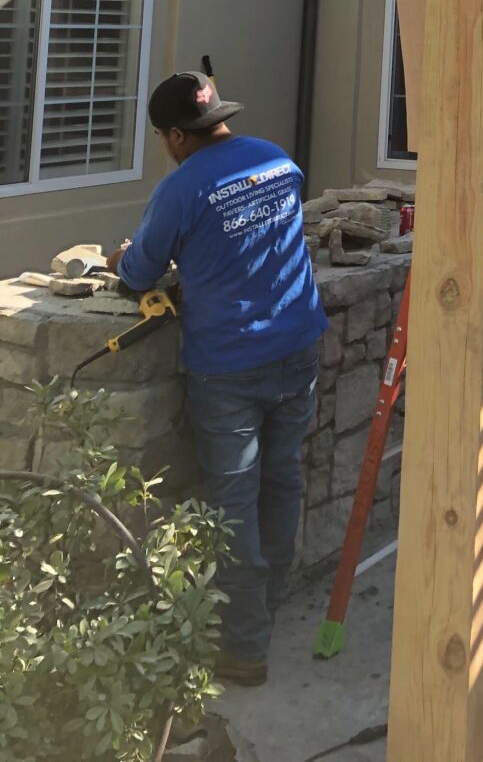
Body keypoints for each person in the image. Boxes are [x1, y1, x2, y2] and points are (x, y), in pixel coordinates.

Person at [108, 71, 326, 687]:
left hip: (230, 366)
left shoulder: (182, 190)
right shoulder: (278, 161)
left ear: (177, 135)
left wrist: (114, 259)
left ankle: (245, 647)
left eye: (160, 137)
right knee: (281, 483)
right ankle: (269, 610)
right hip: (298, 346)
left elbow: (136, 276)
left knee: (233, 507)